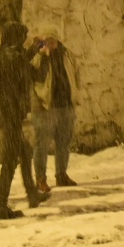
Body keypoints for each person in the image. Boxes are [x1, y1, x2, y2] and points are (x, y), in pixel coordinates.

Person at [0, 21, 46, 220]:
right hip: (9, 114)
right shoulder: (9, 57)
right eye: (22, 39)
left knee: (24, 151)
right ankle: (0, 207)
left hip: (7, 112)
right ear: (15, 39)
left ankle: (32, 195)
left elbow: (23, 59)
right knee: (10, 160)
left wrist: (36, 48)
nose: (23, 43)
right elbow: (25, 65)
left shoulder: (6, 54)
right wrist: (38, 51)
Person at [29, 26, 79, 190]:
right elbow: (34, 76)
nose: (50, 43)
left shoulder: (67, 54)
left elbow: (76, 73)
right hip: (45, 106)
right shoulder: (39, 57)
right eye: (47, 40)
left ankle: (61, 175)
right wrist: (42, 55)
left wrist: (75, 94)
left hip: (65, 104)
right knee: (42, 144)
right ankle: (40, 179)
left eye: (53, 40)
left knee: (64, 142)